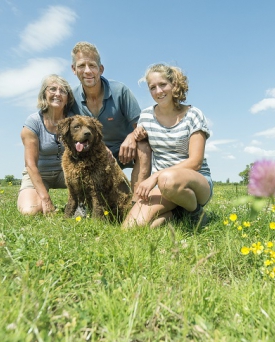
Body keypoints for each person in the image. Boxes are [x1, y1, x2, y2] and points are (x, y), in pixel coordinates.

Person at [123, 64, 213, 229]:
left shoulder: (193, 115)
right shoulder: (146, 116)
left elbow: (196, 162)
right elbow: (142, 153)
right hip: (162, 186)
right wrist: (135, 136)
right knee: (132, 227)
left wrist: (155, 177)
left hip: (194, 182)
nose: (158, 91)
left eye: (163, 84)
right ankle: (178, 214)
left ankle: (196, 212)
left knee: (167, 180)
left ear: (174, 85)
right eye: (152, 87)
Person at [70, 42, 151, 196]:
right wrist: (98, 147)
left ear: (101, 69)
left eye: (92, 65)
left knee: (144, 145)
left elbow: (141, 127)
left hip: (125, 149)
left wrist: (131, 137)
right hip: (93, 151)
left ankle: (137, 199)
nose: (87, 71)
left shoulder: (120, 90)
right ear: (74, 69)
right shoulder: (71, 98)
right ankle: (83, 200)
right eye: (81, 66)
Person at [17, 74, 74, 215]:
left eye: (63, 91)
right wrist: (45, 199)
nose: (57, 94)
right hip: (39, 173)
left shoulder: (74, 120)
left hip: (66, 173)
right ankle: (39, 199)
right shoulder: (33, 122)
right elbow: (30, 164)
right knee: (30, 212)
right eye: (52, 89)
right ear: (44, 94)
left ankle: (77, 206)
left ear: (68, 98)